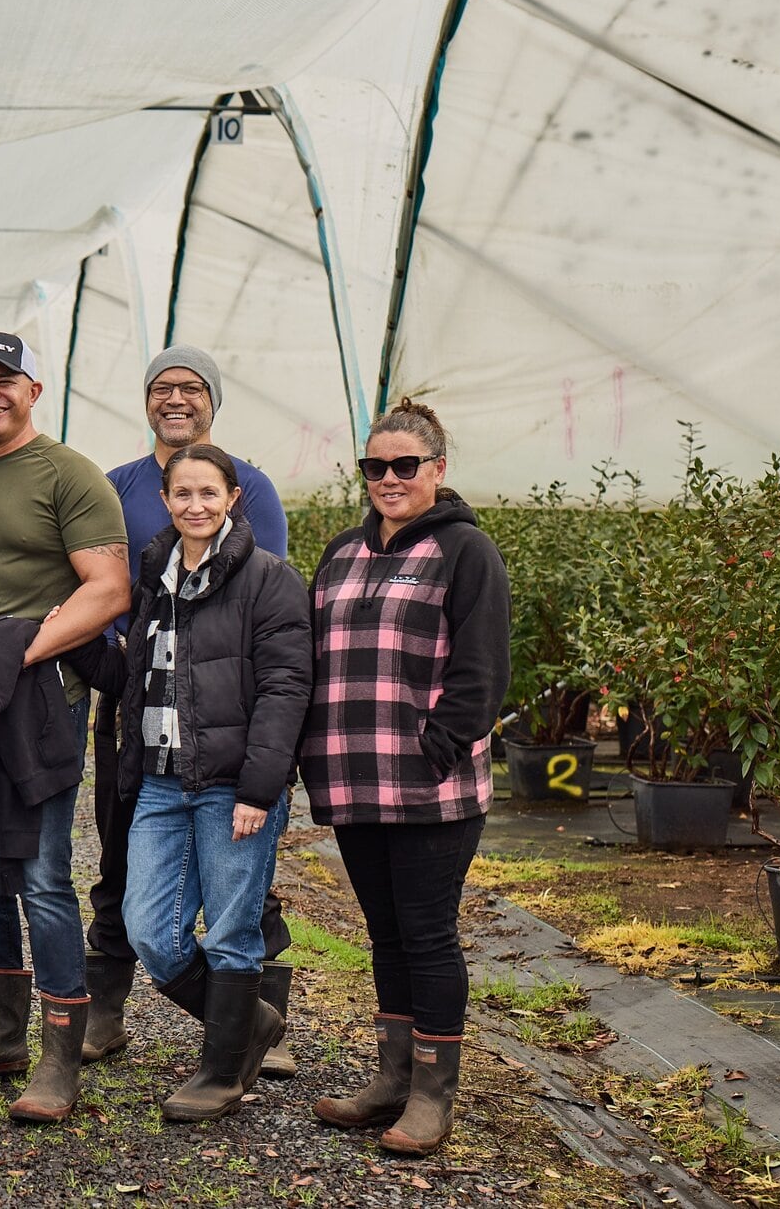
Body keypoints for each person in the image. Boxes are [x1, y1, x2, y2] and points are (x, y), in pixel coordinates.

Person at [0, 331, 130, 1123]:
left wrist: (19, 657)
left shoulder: (70, 475)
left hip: (42, 701)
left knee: (40, 875)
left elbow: (108, 589)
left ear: (34, 390)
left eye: (5, 379)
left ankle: (60, 1057)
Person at [62, 444, 311, 1122]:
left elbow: (288, 688)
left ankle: (223, 1073)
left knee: (232, 932)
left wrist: (262, 789)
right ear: (165, 503)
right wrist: (68, 628)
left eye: (209, 493)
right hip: (163, 784)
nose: (195, 505)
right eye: (182, 494)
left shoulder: (269, 580)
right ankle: (251, 1024)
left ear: (233, 498)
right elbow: (133, 679)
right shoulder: (156, 581)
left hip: (234, 786)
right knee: (149, 929)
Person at [304, 399, 510, 1157]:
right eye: (374, 466)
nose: (388, 479)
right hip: (355, 783)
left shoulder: (465, 553)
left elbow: (482, 674)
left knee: (427, 935)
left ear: (437, 471)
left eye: (404, 466)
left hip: (431, 789)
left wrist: (437, 748)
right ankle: (390, 1080)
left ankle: (432, 1093)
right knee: (384, 935)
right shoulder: (341, 553)